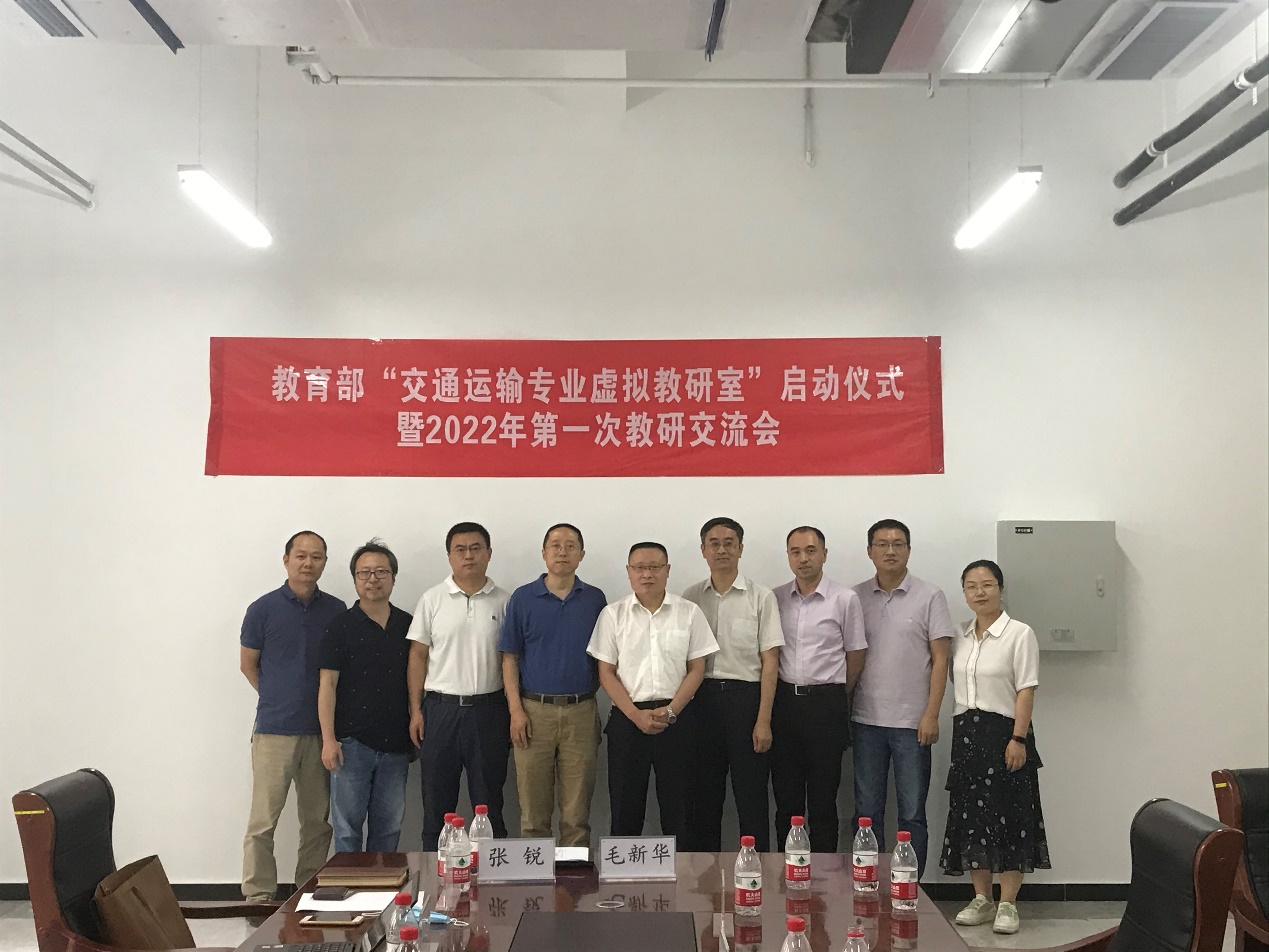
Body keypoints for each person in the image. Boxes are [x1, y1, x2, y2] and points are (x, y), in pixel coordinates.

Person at [942, 559, 1050, 936]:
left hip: (1005, 733)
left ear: (1001, 589)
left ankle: (1008, 903)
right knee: (973, 818)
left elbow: (1026, 689)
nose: (980, 592)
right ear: (964, 593)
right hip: (967, 734)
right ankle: (982, 898)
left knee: (1011, 815)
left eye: (987, 584)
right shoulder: (959, 635)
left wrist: (1018, 738)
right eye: (971, 586)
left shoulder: (1019, 633)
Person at [239, 531, 346, 902]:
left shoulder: (336, 610)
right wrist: (277, 696)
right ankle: (258, 895)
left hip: (320, 733)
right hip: (274, 731)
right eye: (301, 555)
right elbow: (248, 665)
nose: (308, 563)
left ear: (324, 563)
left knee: (317, 821)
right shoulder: (262, 609)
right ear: (286, 560)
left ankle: (309, 888)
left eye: (316, 557)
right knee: (263, 821)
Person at [586, 542, 718, 838]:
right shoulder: (613, 614)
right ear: (629, 572)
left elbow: (697, 669)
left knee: (680, 807)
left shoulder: (689, 612)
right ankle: (623, 867)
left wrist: (672, 711)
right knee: (625, 807)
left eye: (655, 567)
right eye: (639, 568)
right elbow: (606, 672)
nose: (647, 574)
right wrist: (635, 715)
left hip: (677, 718)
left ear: (667, 571)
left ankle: (683, 868)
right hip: (628, 717)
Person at [850, 518, 956, 878]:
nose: (890, 551)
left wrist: (931, 714)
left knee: (911, 814)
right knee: (866, 812)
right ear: (870, 551)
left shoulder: (930, 596)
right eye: (882, 544)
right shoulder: (855, 597)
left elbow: (941, 659)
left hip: (913, 723)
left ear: (909, 550)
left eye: (898, 544)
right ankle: (868, 884)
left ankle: (911, 889)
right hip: (865, 720)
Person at [499, 523, 608, 846]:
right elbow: (509, 658)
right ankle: (535, 876)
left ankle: (574, 877)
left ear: (581, 554)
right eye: (556, 545)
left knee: (576, 815)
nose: (563, 552)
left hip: (581, 712)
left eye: (570, 545)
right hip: (533, 712)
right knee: (533, 814)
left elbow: (604, 658)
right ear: (544, 553)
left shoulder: (594, 599)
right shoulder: (523, 598)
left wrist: (585, 698)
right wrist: (516, 712)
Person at [407, 522, 511, 850]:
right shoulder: (432, 599)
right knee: (437, 804)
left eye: (476, 548)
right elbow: (417, 656)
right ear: (450, 556)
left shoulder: (505, 602)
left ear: (489, 553)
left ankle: (493, 874)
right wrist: (416, 711)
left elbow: (512, 660)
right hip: (441, 711)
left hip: (489, 712)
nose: (469, 556)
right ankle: (434, 874)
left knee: (489, 804)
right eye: (460, 550)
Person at [681, 517, 783, 852]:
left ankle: (757, 873)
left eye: (729, 543)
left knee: (751, 796)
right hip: (702, 701)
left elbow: (770, 661)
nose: (721, 549)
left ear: (740, 548)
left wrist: (763, 720)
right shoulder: (691, 598)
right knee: (704, 796)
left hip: (746, 701)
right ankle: (704, 876)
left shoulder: (761, 597)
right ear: (703, 550)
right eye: (714, 543)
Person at [771, 526, 867, 854]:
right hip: (784, 704)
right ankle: (788, 871)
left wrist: (838, 693)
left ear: (824, 554)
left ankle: (826, 876)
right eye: (795, 552)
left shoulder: (844, 598)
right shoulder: (775, 598)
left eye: (811, 550)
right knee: (786, 799)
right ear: (788, 557)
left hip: (827, 704)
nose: (803, 558)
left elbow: (856, 653)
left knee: (824, 798)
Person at [318, 539, 414, 853]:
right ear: (355, 579)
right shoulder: (339, 626)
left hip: (397, 745)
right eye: (364, 573)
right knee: (347, 831)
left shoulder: (408, 625)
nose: (373, 579)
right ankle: (351, 884)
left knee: (389, 828)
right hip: (351, 745)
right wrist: (328, 739)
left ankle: (381, 884)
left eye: (381, 572)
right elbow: (327, 685)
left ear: (393, 577)